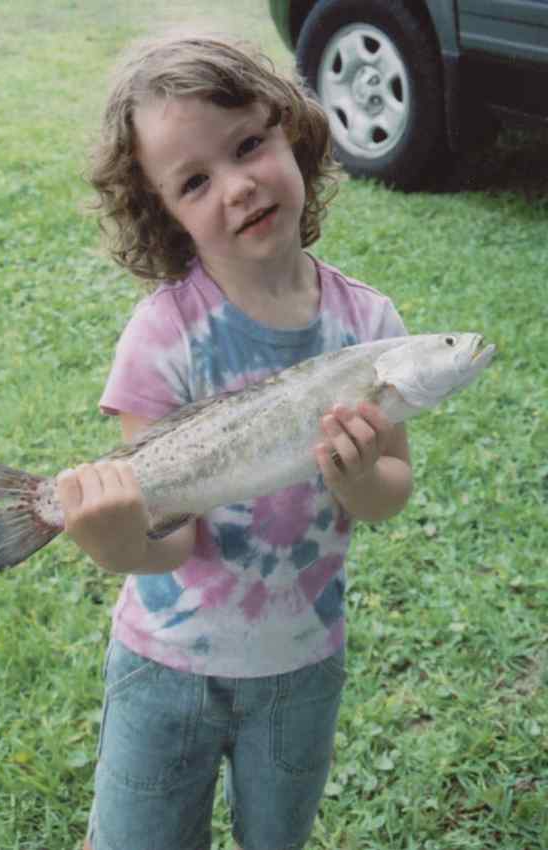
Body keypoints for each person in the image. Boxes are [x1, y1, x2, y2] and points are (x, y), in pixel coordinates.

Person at [56, 32, 413, 850]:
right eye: (194, 181)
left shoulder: (369, 329)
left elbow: (394, 483)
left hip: (303, 665)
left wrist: (360, 480)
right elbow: (168, 533)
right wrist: (119, 545)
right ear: (166, 214)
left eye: (249, 144)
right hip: (164, 668)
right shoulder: (163, 338)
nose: (238, 185)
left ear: (292, 128)